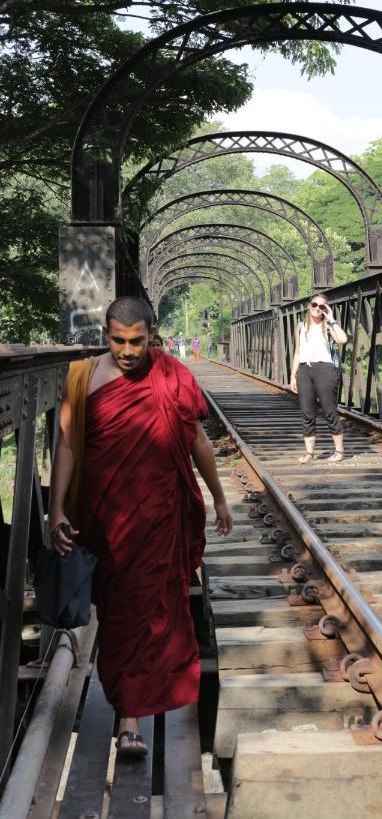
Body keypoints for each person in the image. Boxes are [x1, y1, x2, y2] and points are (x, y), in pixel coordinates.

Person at [48, 297, 234, 758]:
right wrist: (56, 511)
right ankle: (130, 711)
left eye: (136, 341)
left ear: (152, 333)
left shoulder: (173, 376)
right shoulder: (84, 377)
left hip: (162, 514)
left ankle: (138, 712)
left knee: (160, 607)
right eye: (117, 341)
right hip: (108, 520)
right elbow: (68, 445)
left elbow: (195, 440)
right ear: (105, 336)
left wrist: (220, 494)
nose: (127, 351)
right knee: (121, 613)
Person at [289, 293, 348, 463]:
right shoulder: (300, 326)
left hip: (325, 369)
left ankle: (339, 450)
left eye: (321, 306)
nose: (317, 308)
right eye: (314, 305)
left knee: (329, 411)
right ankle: (309, 453)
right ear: (309, 306)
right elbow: (297, 352)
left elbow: (343, 339)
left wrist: (331, 319)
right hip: (304, 370)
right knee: (307, 412)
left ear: (325, 309)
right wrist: (293, 375)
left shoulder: (328, 325)